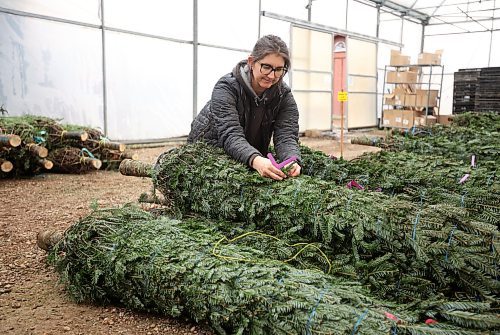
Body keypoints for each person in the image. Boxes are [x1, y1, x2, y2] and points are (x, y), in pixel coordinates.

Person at [187, 35, 301, 181]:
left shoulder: (283, 96)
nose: (272, 76)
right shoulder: (226, 88)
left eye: (279, 69)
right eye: (266, 67)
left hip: (244, 153)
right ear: (251, 62)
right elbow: (230, 134)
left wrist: (291, 160)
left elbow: (287, 135)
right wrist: (256, 159)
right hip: (208, 153)